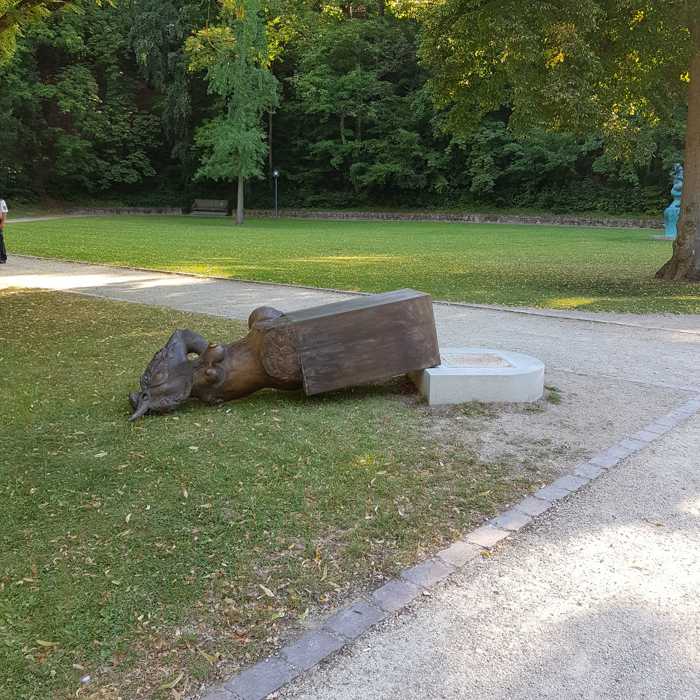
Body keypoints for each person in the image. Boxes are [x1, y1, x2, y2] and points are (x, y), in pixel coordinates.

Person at [0, 197, 7, 263]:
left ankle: (2, 257)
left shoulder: (1, 201)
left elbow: (4, 212)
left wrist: (3, 223)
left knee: (0, 240)